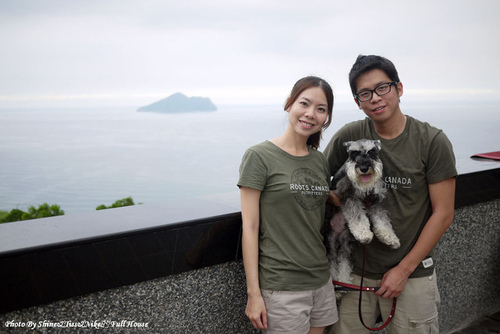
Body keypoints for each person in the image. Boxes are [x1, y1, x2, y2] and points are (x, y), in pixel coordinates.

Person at [324, 55, 457, 333]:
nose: (375, 98)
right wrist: (340, 200)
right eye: (365, 93)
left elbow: (443, 214)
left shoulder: (431, 141)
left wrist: (404, 269)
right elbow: (316, 175)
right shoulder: (351, 135)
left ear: (399, 88)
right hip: (354, 273)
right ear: (358, 101)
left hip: (412, 275)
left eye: (382, 87)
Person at [238, 76, 338, 334]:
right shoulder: (259, 156)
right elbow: (249, 227)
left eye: (321, 109)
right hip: (282, 286)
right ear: (289, 104)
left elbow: (317, 202)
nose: (310, 114)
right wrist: (254, 294)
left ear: (326, 119)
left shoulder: (319, 161)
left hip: (320, 279)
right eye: (304, 103)